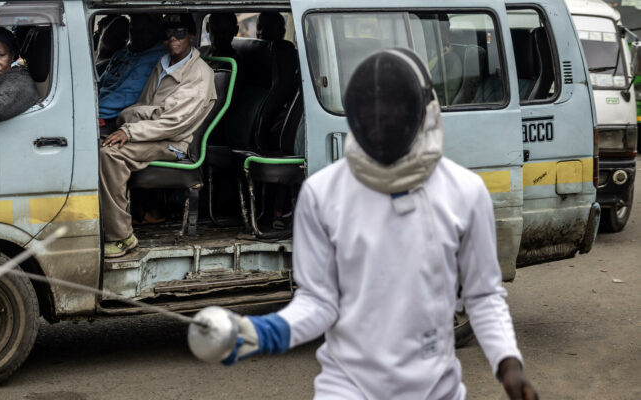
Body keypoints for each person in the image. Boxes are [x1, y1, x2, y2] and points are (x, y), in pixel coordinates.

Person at [189, 48, 538, 400]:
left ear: (425, 112)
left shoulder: (463, 192)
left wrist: (508, 364)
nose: (383, 123)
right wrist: (258, 332)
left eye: (395, 112)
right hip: (348, 389)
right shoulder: (323, 193)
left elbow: (483, 295)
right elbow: (319, 302)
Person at [100, 13, 217, 258]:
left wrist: (130, 131)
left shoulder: (199, 74)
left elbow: (173, 123)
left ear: (192, 36)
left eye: (180, 33)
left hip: (173, 143)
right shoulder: (163, 63)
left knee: (110, 155)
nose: (173, 38)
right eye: (168, 34)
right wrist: (129, 124)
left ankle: (121, 236)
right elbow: (144, 106)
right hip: (151, 132)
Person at [97, 14, 167, 134]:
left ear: (156, 31)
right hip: (101, 109)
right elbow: (100, 84)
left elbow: (125, 97)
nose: (137, 36)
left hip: (116, 118)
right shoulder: (121, 54)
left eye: (143, 31)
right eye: (133, 30)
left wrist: (91, 110)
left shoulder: (157, 59)